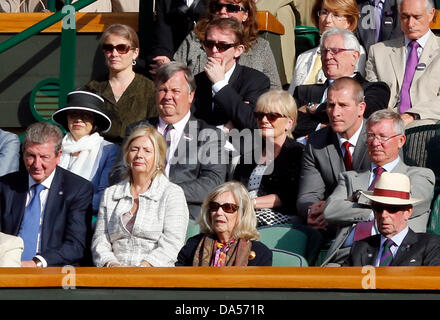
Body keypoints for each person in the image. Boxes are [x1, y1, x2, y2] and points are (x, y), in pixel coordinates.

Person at [109, 62, 228, 220]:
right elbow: (118, 173)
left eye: (175, 91)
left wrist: (161, 191)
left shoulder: (209, 135)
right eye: (162, 90)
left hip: (183, 215)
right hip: (135, 211)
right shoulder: (136, 130)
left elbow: (212, 183)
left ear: (191, 95)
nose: (167, 97)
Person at [322, 109, 435, 265]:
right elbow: (330, 210)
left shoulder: (419, 175)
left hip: (398, 256)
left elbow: (413, 202)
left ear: (401, 141)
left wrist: (359, 197)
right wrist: (371, 212)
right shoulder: (350, 177)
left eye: (383, 137)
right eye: (371, 136)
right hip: (345, 257)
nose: (375, 143)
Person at [92, 126, 189, 267]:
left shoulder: (172, 193)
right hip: (113, 274)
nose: (139, 155)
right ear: (126, 155)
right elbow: (100, 239)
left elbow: (173, 243)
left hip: (155, 276)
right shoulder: (110, 194)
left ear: (159, 158)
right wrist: (111, 264)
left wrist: (143, 267)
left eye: (147, 151)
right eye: (134, 149)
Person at [0, 122, 94, 267]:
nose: (36, 165)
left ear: (58, 156)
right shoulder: (6, 186)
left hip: (53, 272)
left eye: (44, 157)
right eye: (31, 156)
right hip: (7, 270)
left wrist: (36, 263)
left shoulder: (77, 189)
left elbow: (76, 245)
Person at [151, 0, 282, 89]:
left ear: (245, 14)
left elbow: (274, 91)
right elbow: (176, 79)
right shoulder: (194, 40)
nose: (223, 12)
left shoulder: (261, 47)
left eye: (231, 8)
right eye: (218, 7)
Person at [296, 78, 371, 231]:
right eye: (330, 105)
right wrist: (312, 211)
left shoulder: (380, 137)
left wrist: (333, 208)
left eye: (343, 105)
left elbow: (382, 190)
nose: (335, 113)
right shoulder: (317, 142)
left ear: (361, 108)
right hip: (328, 225)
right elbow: (307, 195)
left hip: (370, 221)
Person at [292, 27, 390, 140]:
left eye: (335, 51)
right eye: (324, 51)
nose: (328, 57)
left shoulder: (375, 89)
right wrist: (325, 126)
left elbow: (364, 114)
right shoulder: (303, 92)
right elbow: (290, 123)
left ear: (354, 57)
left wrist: (314, 108)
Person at [233, 89, 304, 226]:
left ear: (289, 122)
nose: (264, 120)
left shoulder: (298, 153)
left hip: (279, 216)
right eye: (259, 115)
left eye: (272, 116)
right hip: (245, 212)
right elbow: (236, 187)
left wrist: (249, 203)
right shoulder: (250, 155)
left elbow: (289, 196)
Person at [365, 0, 440, 129]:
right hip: (384, 129)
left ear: (431, 14)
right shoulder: (378, 52)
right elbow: (372, 95)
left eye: (417, 17)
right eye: (405, 17)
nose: (410, 24)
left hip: (427, 129)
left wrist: (412, 115)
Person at [343, 172, 440, 266]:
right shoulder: (360, 248)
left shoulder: (430, 245)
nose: (384, 215)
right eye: (378, 208)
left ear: (407, 212)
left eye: (391, 209)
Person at [83, 24, 157, 144]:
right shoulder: (92, 88)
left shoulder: (150, 90)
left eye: (122, 48)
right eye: (108, 48)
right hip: (97, 157)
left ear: (135, 52)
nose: (114, 53)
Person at [192, 17, 270, 131]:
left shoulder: (256, 80)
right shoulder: (195, 82)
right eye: (209, 44)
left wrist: (220, 84)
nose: (214, 50)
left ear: (238, 50)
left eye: (222, 46)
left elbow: (253, 122)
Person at [51, 91, 119, 215]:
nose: (78, 120)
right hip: (50, 213)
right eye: (73, 114)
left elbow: (104, 195)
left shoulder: (109, 150)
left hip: (87, 217)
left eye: (86, 115)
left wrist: (66, 204)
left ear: (95, 121)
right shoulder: (54, 146)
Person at [176, 181, 272, 266]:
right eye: (214, 206)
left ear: (243, 213)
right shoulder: (193, 245)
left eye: (228, 207)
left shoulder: (260, 254)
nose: (219, 212)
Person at [288, 0, 367, 94]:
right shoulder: (304, 57)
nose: (327, 20)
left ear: (349, 22)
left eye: (336, 15)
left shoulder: (355, 52)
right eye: (324, 12)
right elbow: (291, 96)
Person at [145, 0, 210, 69]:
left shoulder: (216, 4)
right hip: (174, 60)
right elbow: (162, 35)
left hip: (206, 61)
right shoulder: (166, 2)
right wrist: (164, 61)